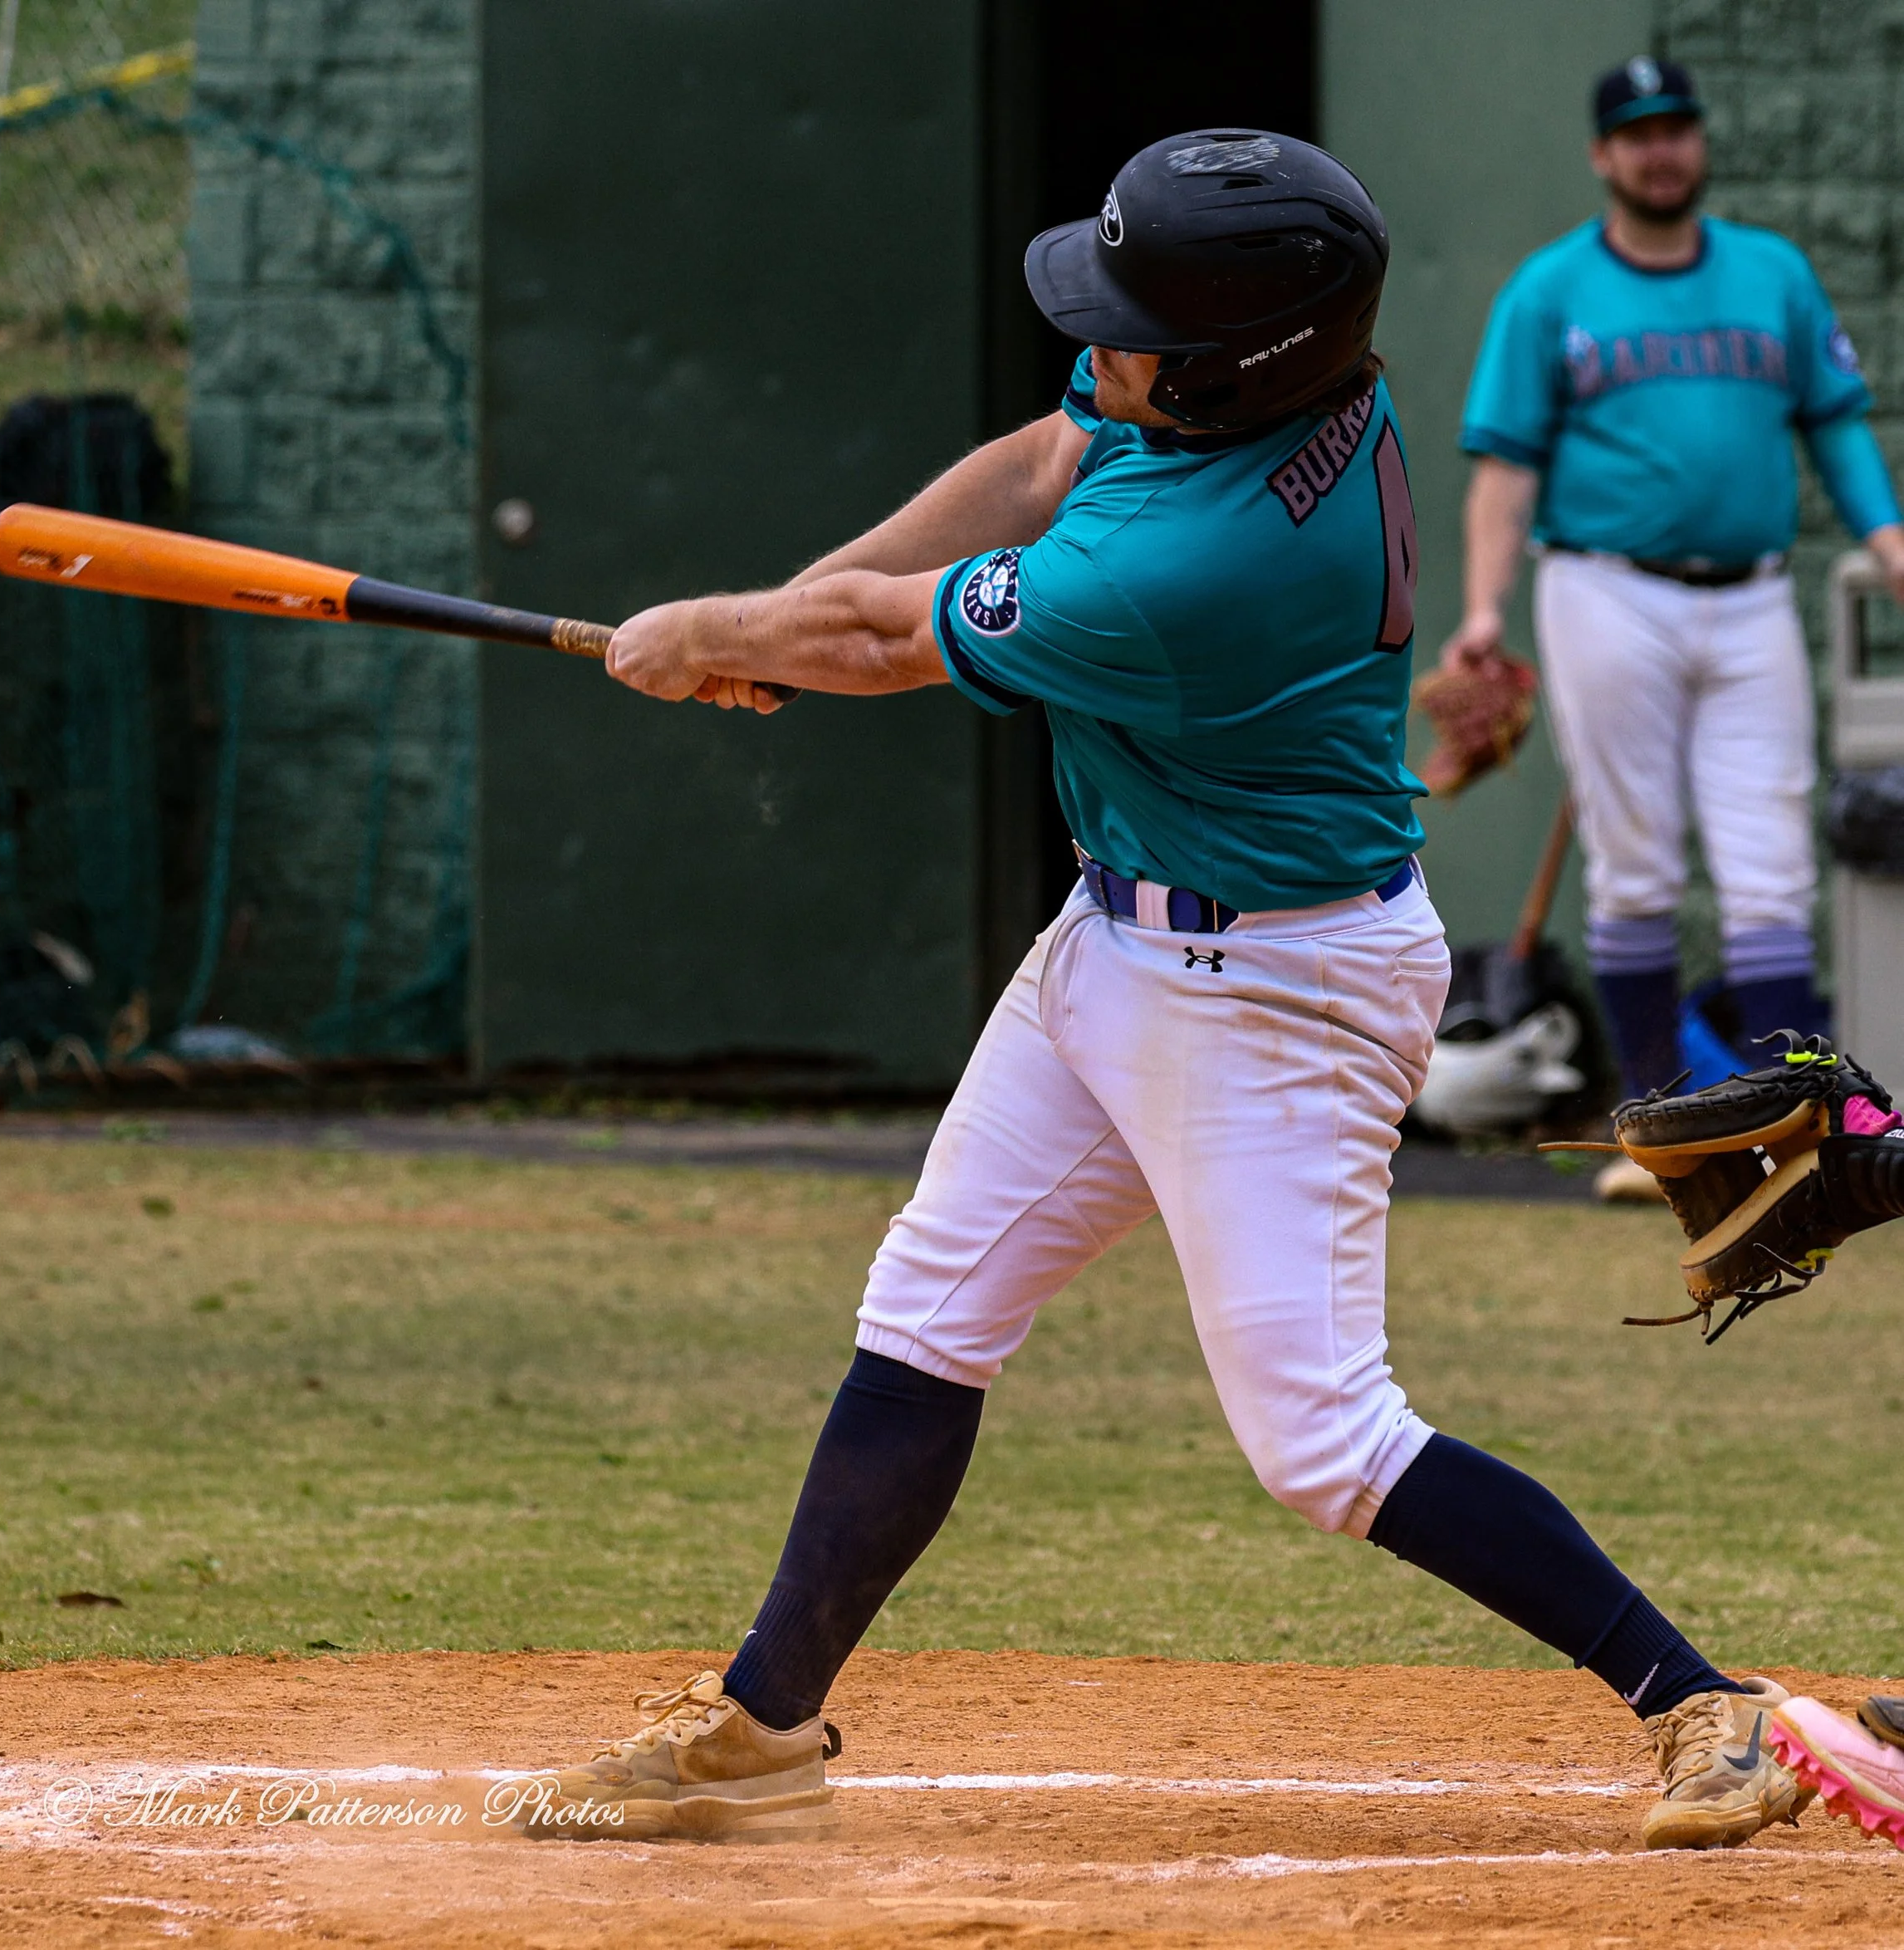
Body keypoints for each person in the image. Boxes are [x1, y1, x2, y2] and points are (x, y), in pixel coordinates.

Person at [530, 131, 1808, 1852]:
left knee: (1322, 1443)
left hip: (1272, 991)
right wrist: (756, 623)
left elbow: (883, 643)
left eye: (1133, 325)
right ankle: (764, 1717)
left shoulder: (1186, 572)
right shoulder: (1263, 380)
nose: (1100, 343)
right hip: (1115, 942)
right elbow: (1035, 459)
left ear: (1228, 363)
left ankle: (1697, 1702)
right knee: (926, 1309)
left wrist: (736, 638)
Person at [1439, 57, 1904, 1199]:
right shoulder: (1550, 292)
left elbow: (1836, 424)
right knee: (1637, 864)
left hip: (1747, 594)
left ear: (1697, 143)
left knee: (1769, 865)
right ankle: (1663, 1131)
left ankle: (1795, 1130)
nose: (1660, 150)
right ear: (1604, 154)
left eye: (1675, 129)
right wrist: (1486, 607)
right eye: (1636, 134)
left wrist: (1889, 539)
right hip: (1606, 588)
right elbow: (1505, 469)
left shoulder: (1773, 274)